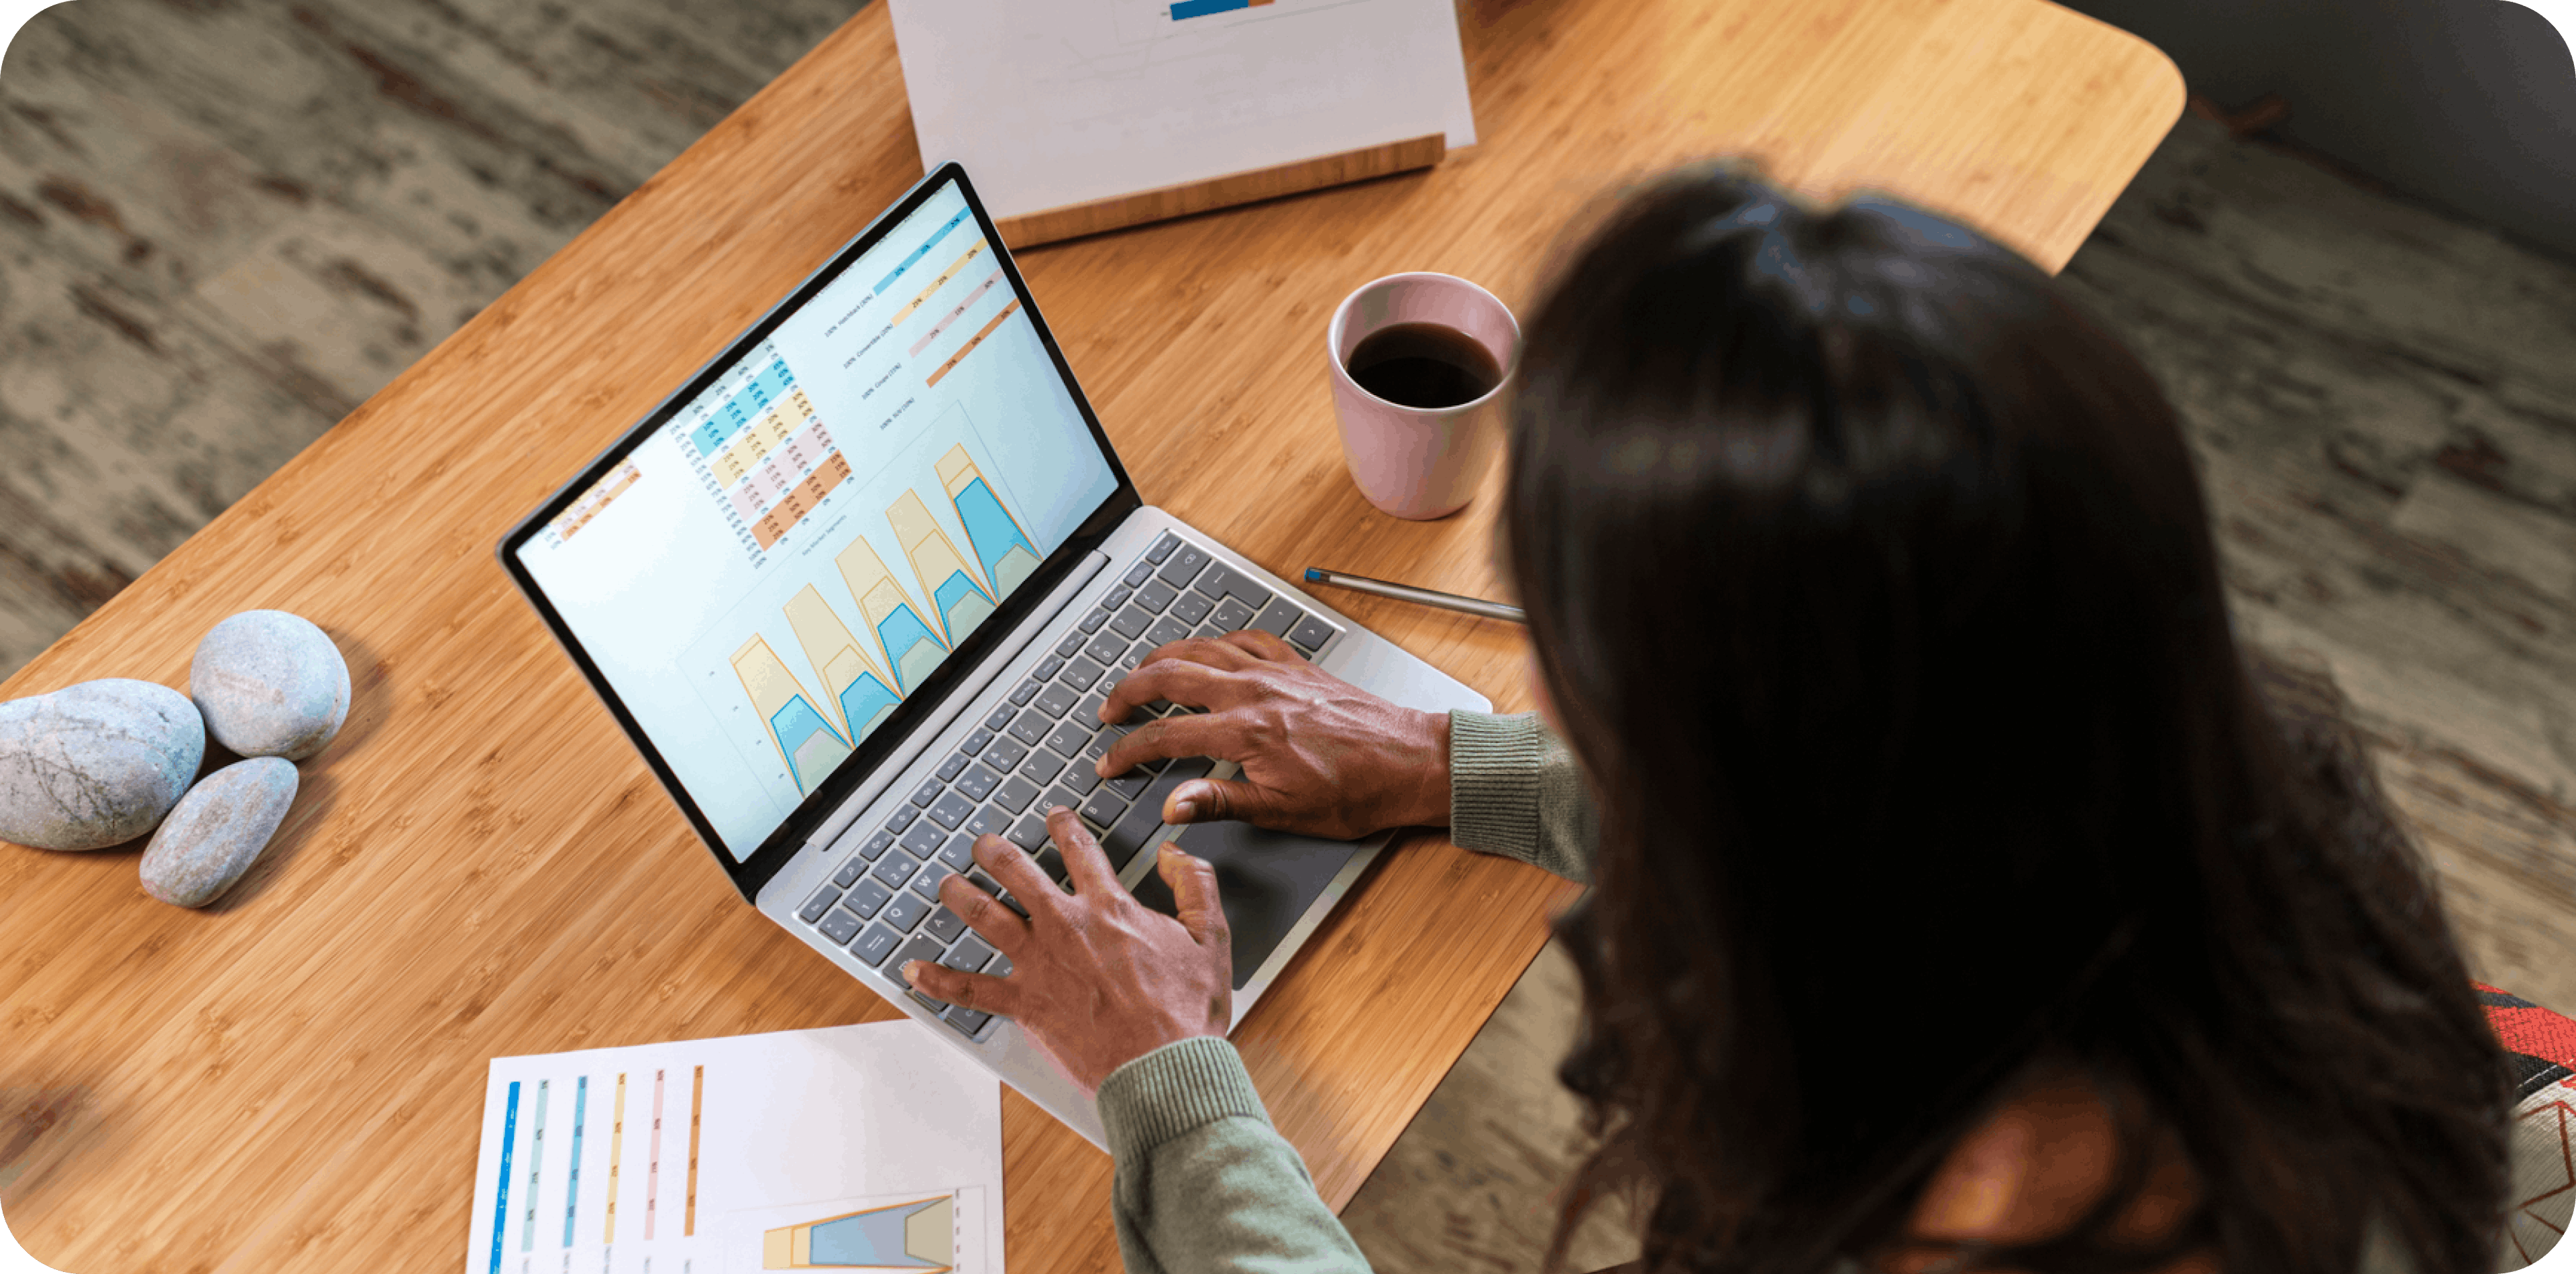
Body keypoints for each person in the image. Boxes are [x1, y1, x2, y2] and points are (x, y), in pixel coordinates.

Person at [900, 164, 2521, 1274]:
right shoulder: (2211, 797)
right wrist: (1447, 759)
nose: (1586, 730)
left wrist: (1171, 1080)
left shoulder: (1992, 1211)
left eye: (1606, 696)